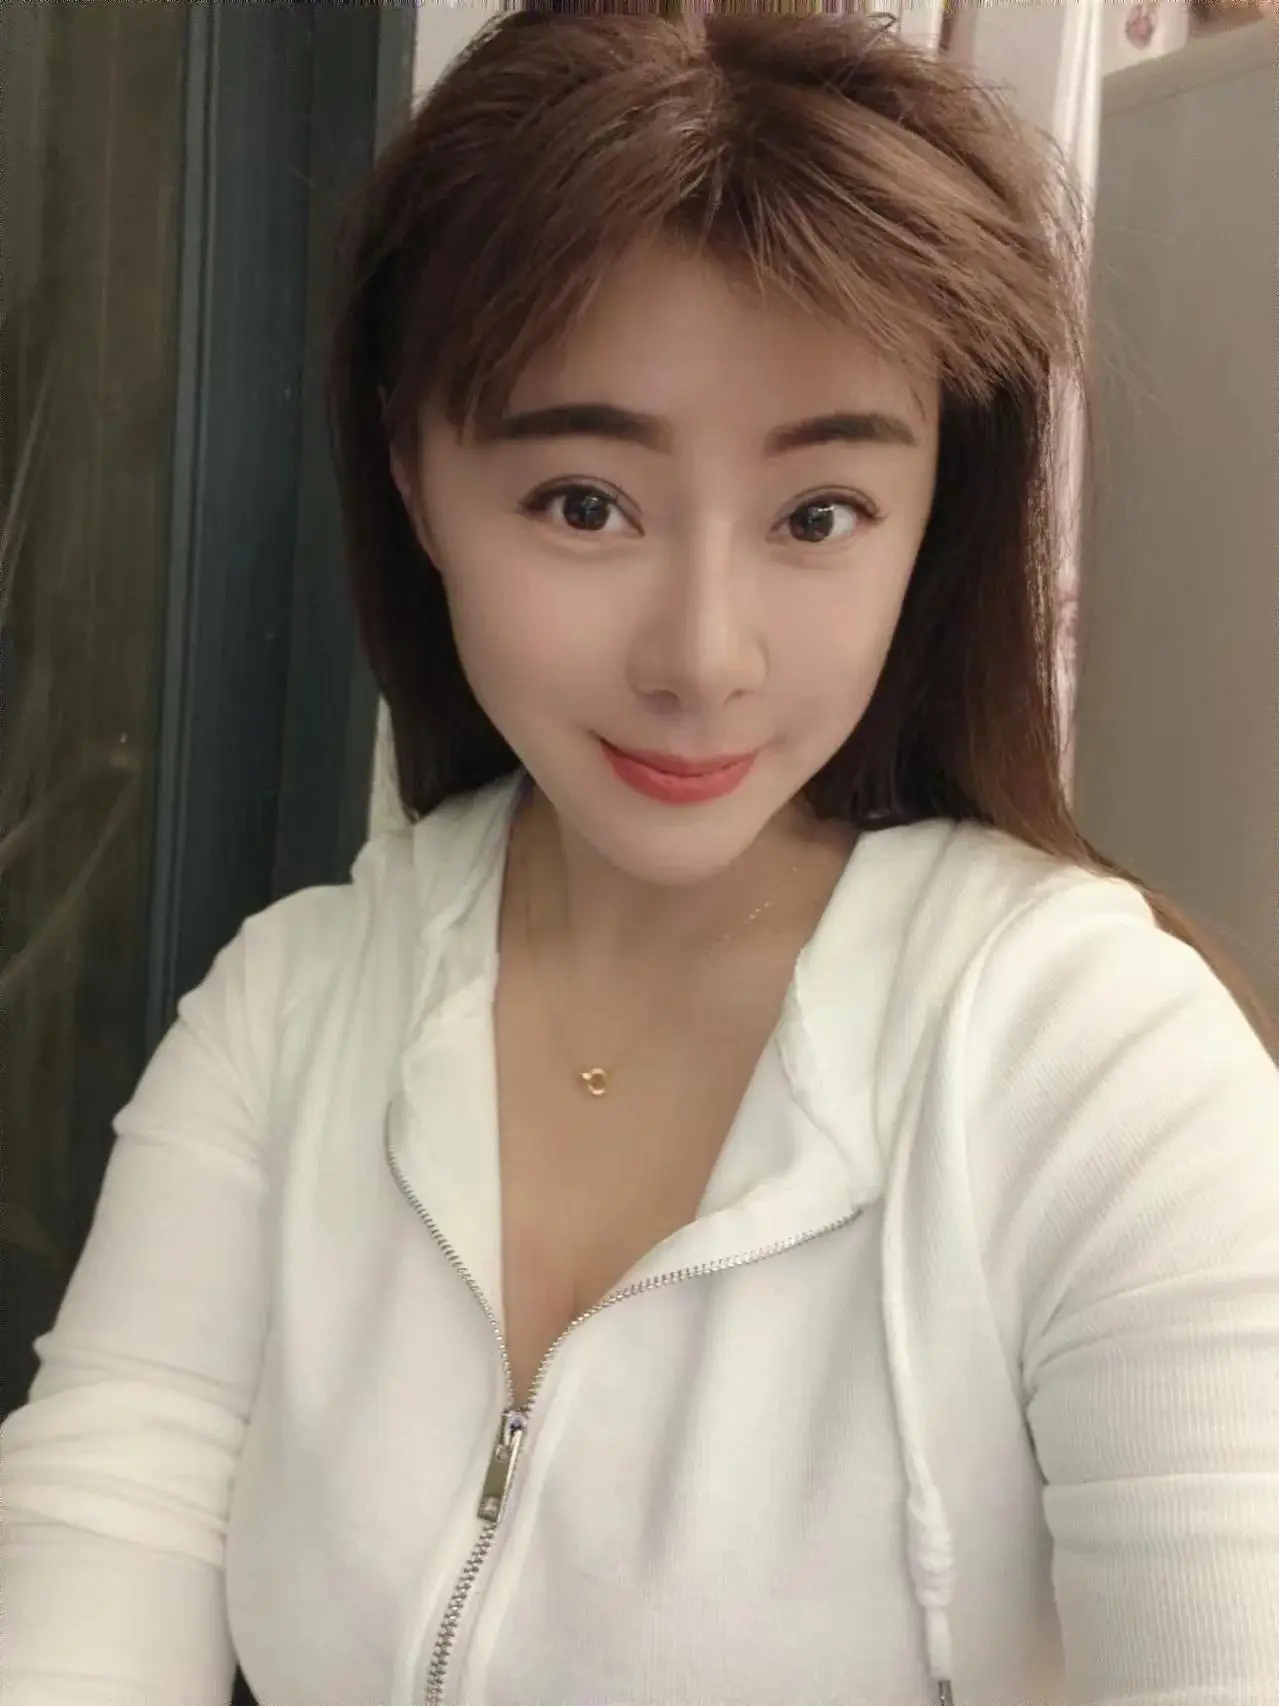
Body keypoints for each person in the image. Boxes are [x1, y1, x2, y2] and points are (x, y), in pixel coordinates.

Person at [3, 8, 1277, 1705]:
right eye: (584, 502)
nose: (702, 656)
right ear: (412, 477)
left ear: (927, 527)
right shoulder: (292, 1008)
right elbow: (99, 1532)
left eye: (816, 515)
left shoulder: (1096, 1063)